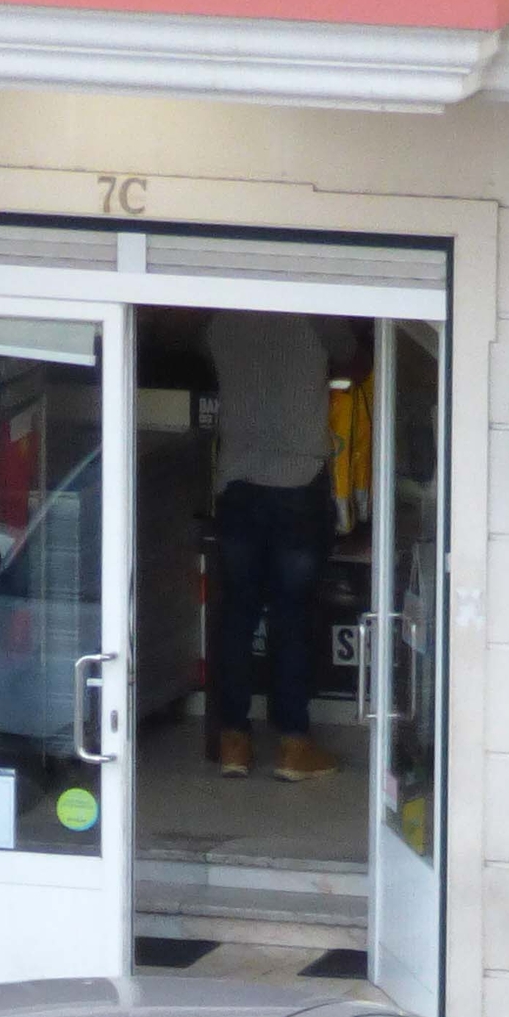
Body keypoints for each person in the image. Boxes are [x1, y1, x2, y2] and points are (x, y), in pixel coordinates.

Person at [206, 312, 339, 784]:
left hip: (237, 484)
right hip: (299, 484)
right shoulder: (317, 310)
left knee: (237, 614)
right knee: (293, 615)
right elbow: (356, 362)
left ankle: (233, 742)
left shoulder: (222, 318)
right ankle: (293, 745)